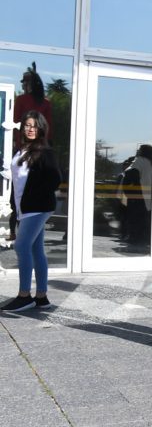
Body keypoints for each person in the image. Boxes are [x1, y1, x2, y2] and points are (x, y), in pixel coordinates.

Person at [2, 112, 61, 313]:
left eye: (34, 126)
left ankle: (24, 296)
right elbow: (18, 182)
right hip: (23, 208)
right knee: (36, 250)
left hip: (38, 207)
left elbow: (54, 179)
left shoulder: (45, 152)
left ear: (41, 128)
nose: (30, 129)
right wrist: (15, 207)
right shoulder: (21, 151)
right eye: (27, 125)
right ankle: (42, 297)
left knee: (21, 245)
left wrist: (34, 198)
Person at [13, 64, 53, 149]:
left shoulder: (21, 100)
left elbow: (16, 123)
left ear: (29, 84)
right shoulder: (46, 102)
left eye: (24, 83)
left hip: (23, 144)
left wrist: (17, 142)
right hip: (40, 145)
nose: (23, 86)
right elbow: (48, 127)